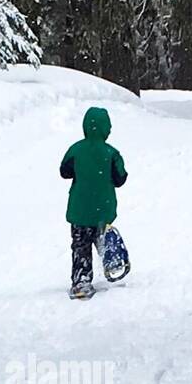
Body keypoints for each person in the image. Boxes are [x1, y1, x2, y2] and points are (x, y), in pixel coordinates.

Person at [59, 106, 128, 300]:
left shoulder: (75, 150)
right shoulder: (111, 153)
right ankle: (113, 261)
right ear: (106, 129)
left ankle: (81, 280)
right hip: (103, 209)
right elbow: (120, 179)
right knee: (102, 238)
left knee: (80, 246)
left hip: (80, 210)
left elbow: (64, 171)